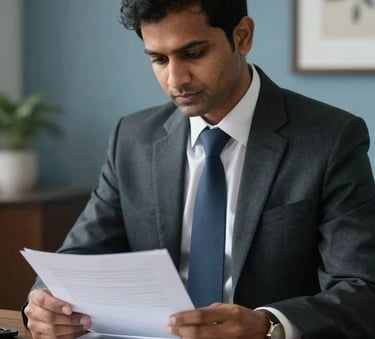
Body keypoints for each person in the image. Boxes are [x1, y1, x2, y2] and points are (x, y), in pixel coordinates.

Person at [23, 0, 375, 338]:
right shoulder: (132, 139)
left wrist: (268, 325)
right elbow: (80, 256)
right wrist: (45, 303)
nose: (176, 80)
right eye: (159, 59)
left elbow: (361, 288)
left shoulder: (330, 139)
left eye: (193, 54)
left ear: (242, 37)